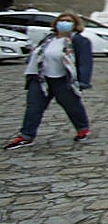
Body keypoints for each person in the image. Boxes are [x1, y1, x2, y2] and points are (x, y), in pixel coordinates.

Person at [5, 12, 95, 149]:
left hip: (63, 79)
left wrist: (83, 80)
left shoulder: (79, 41)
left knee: (72, 106)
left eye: (68, 21)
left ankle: (82, 128)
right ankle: (26, 135)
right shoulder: (48, 39)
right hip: (41, 78)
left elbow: (85, 61)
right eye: (61, 20)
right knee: (34, 107)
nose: (64, 23)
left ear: (75, 24)